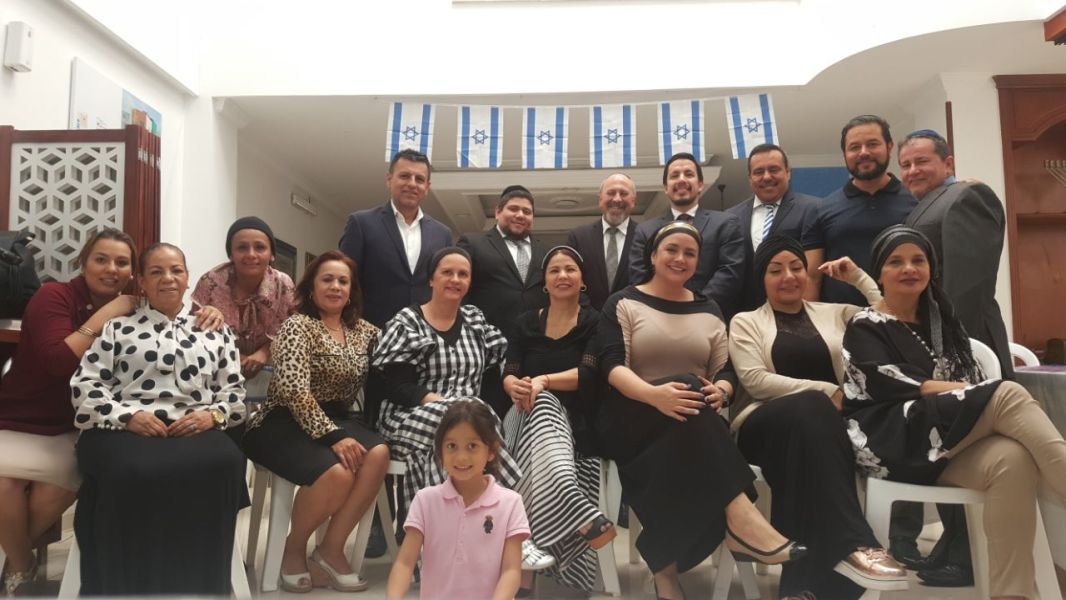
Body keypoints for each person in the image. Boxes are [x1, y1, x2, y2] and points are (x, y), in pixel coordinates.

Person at [842, 225, 1066, 600]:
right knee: (1007, 392)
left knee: (1012, 459)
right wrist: (959, 389)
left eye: (918, 260)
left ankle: (1010, 595)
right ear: (879, 273)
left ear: (930, 269)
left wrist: (966, 390)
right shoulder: (865, 324)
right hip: (892, 441)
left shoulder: (943, 324)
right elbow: (893, 382)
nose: (909, 268)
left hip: (943, 445)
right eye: (896, 262)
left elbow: (971, 382)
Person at [597, 221, 806, 600]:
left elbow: (726, 371)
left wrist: (722, 391)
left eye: (690, 253)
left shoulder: (709, 308)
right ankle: (741, 515)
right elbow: (611, 367)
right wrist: (655, 395)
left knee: (691, 399)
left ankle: (665, 572)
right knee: (688, 387)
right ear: (653, 256)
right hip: (633, 417)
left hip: (691, 423)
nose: (680, 258)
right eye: (672, 250)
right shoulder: (623, 302)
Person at [728, 235, 906, 598]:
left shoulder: (835, 313)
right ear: (762, 279)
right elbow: (755, 380)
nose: (788, 276)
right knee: (812, 407)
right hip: (762, 424)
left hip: (825, 434)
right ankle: (855, 543)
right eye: (775, 270)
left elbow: (890, 320)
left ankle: (800, 589)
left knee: (803, 462)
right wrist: (828, 392)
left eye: (796, 267)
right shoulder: (746, 321)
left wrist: (858, 278)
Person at [70, 243, 247, 596]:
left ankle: (202, 586)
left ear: (187, 278)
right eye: (156, 272)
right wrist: (127, 416)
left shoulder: (215, 329)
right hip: (122, 428)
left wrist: (212, 416)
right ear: (141, 282)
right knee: (132, 469)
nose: (168, 278)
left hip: (195, 426)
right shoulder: (117, 329)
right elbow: (85, 388)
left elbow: (234, 393)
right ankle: (124, 586)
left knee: (224, 461)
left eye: (176, 270)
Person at [242, 251, 390, 592]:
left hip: (337, 416)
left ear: (351, 291)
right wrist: (333, 436)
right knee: (337, 473)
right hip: (282, 420)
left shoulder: (364, 331)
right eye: (327, 279)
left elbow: (397, 351)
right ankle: (293, 549)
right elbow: (295, 391)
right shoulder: (297, 326)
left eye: (343, 281)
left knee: (379, 453)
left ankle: (330, 550)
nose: (335, 286)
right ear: (312, 288)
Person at [0, 229, 137, 595]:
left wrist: (208, 312)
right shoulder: (53, 295)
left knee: (55, 490)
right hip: (18, 416)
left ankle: (15, 558)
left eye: (122, 262)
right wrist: (108, 313)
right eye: (101, 259)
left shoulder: (135, 311)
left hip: (73, 425)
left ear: (132, 271)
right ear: (83, 262)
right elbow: (59, 361)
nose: (111, 269)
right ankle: (23, 565)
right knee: (3, 485)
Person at [501, 246, 612, 594]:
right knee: (542, 403)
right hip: (520, 419)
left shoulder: (596, 322)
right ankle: (577, 510)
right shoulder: (524, 322)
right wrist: (515, 386)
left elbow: (590, 373)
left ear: (582, 280)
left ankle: (524, 574)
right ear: (545, 282)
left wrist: (543, 382)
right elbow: (509, 372)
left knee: (545, 404)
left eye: (570, 269)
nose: (562, 276)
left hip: (577, 425)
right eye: (554, 271)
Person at [386, 400, 529, 600]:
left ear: (491, 451)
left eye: (472, 446)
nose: (461, 457)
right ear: (440, 452)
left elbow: (511, 571)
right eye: (452, 446)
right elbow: (404, 563)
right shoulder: (425, 501)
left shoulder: (510, 504)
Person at [899, 129, 1012, 378]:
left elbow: (968, 286)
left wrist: (952, 349)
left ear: (948, 164)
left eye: (921, 161)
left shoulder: (967, 195)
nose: (912, 171)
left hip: (966, 342)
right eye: (905, 165)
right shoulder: (924, 205)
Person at [803, 115, 917, 305]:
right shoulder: (821, 210)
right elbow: (812, 278)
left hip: (907, 316)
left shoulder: (916, 203)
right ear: (845, 154)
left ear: (889, 147)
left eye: (872, 144)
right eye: (854, 147)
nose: (863, 152)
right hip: (842, 319)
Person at [457, 186, 549, 417]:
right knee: (486, 419)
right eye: (513, 209)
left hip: (534, 350)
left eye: (527, 211)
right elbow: (458, 293)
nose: (520, 215)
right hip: (486, 352)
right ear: (498, 212)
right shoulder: (473, 243)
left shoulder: (546, 251)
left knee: (531, 416)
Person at [338, 149, 453, 329]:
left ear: (427, 187)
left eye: (419, 179)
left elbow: (445, 286)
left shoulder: (442, 234)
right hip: (373, 332)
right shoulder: (361, 223)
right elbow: (345, 278)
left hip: (427, 334)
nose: (412, 184)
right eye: (404, 176)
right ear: (389, 179)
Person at [628, 152, 745, 318]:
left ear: (700, 184)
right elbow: (639, 275)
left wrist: (697, 306)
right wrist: (665, 308)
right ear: (665, 187)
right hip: (658, 317)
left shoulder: (725, 224)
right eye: (674, 175)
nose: (681, 180)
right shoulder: (645, 230)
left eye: (689, 174)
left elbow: (730, 273)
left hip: (709, 317)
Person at [192, 216, 296, 379]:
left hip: (270, 368)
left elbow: (291, 331)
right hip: (218, 367)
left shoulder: (284, 284)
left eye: (260, 247)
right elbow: (194, 330)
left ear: (272, 255)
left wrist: (264, 352)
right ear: (231, 254)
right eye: (242, 248)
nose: (251, 254)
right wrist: (229, 352)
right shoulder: (211, 282)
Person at [726, 144, 821, 313]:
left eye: (774, 169)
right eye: (758, 172)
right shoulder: (731, 217)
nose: (767, 177)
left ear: (788, 173)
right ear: (750, 178)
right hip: (745, 316)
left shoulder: (812, 209)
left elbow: (812, 274)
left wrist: (803, 319)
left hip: (793, 311)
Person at [567, 173, 637, 310]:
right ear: (600, 199)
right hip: (587, 319)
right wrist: (590, 314)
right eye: (611, 193)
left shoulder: (646, 237)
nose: (617, 199)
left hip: (633, 318)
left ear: (633, 201)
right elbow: (570, 280)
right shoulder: (578, 237)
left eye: (623, 193)